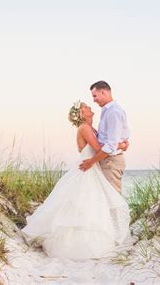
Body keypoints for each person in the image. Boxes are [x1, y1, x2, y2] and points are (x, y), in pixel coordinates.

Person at [21, 101, 130, 260]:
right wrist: (121, 144)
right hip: (86, 169)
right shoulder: (84, 128)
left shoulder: (91, 128)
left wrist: (117, 144)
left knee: (93, 204)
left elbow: (104, 144)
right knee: (82, 203)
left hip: (92, 169)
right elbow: (100, 149)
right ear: (81, 114)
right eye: (85, 107)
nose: (89, 107)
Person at [79, 81, 130, 194]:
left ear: (103, 92)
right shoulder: (107, 111)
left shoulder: (113, 112)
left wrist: (91, 162)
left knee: (113, 199)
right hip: (107, 161)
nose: (93, 100)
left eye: (95, 96)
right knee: (106, 199)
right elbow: (105, 141)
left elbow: (110, 145)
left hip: (110, 162)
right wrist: (121, 145)